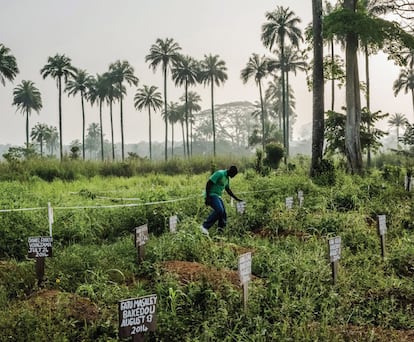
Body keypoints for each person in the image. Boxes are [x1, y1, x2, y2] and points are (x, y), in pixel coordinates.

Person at [201, 165, 242, 235]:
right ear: (231, 171)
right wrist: (207, 197)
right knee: (219, 210)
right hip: (211, 194)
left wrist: (236, 198)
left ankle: (220, 232)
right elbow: (209, 183)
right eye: (234, 174)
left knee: (223, 214)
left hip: (217, 196)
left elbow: (228, 190)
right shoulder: (220, 173)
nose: (233, 176)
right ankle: (204, 227)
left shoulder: (227, 178)